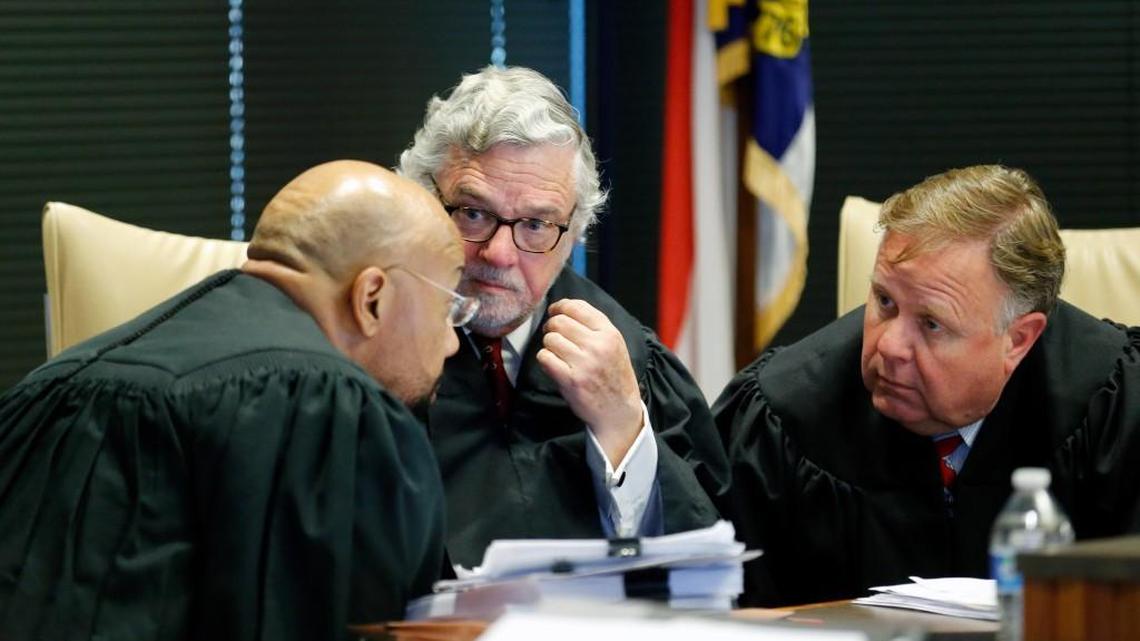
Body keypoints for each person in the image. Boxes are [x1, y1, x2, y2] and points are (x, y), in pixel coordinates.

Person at [0, 161, 471, 639]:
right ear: (372, 297)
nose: (452, 341)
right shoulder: (333, 413)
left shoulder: (52, 381)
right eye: (448, 305)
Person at [714, 164, 1140, 607]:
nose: (890, 345)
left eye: (932, 324)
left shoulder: (1113, 410)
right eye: (885, 302)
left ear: (1018, 339)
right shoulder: (783, 419)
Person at [398, 66, 730, 567]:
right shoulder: (370, 344)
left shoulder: (630, 359)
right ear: (423, 200)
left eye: (535, 224)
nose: (500, 253)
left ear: (574, 231)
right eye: (472, 214)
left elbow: (702, 565)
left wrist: (624, 426)